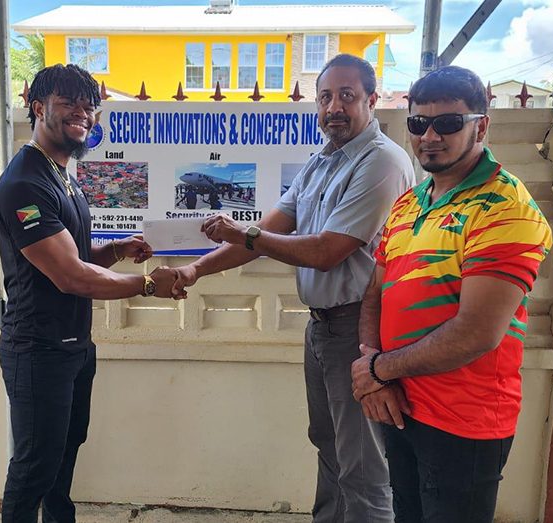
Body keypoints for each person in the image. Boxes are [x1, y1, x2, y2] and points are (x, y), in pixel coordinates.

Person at [173, 54, 415, 522]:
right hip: (322, 328)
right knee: (328, 446)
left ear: (372, 99)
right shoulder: (320, 163)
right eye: (325, 97)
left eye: (347, 95)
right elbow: (269, 233)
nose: (334, 107)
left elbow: (327, 251)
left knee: (363, 465)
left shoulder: (382, 161)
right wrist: (194, 271)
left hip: (357, 329)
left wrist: (244, 234)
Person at [350, 66, 553, 523]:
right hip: (400, 403)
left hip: (465, 419)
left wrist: (377, 368)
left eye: (448, 123)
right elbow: (375, 292)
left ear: (481, 125)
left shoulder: (505, 207)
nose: (430, 136)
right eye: (419, 123)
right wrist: (374, 369)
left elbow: (476, 334)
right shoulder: (409, 202)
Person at [0, 63, 180, 523]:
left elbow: (74, 255)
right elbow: (69, 276)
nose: (83, 113)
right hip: (39, 350)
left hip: (74, 346)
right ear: (38, 108)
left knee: (63, 458)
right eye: (69, 103)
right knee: (35, 467)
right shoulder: (24, 183)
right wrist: (149, 284)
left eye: (90, 105)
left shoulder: (64, 176)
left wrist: (116, 249)